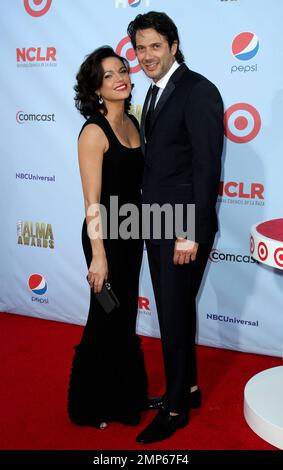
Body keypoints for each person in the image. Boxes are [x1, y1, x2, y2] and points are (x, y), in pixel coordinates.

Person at [127, 12, 224, 443]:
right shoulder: (152, 92)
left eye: (154, 46)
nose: (146, 56)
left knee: (173, 312)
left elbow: (206, 168)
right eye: (140, 48)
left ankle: (176, 409)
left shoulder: (198, 91)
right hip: (155, 220)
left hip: (181, 224)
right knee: (175, 310)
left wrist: (191, 232)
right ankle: (188, 387)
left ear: (174, 45)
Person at [68, 46, 148, 430]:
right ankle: (87, 406)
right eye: (109, 75)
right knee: (104, 316)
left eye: (123, 69)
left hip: (132, 235)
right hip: (103, 240)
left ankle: (125, 396)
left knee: (124, 316)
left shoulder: (133, 123)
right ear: (97, 88)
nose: (121, 77)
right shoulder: (93, 131)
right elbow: (92, 202)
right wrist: (98, 257)